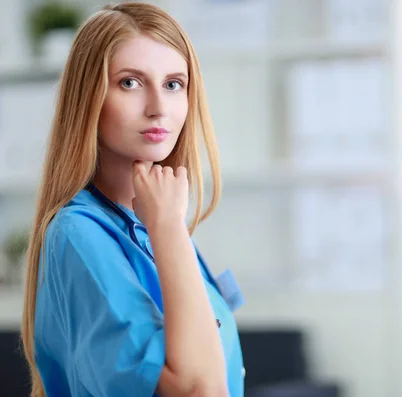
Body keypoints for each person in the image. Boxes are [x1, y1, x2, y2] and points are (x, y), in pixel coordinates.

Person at [20, 2, 245, 396]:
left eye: (174, 84)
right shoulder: (79, 234)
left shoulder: (157, 220)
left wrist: (166, 227)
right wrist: (169, 229)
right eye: (130, 82)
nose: (158, 108)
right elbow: (201, 389)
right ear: (89, 98)